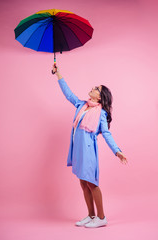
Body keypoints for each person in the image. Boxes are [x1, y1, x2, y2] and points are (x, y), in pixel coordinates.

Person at [52, 64, 128, 228]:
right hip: (77, 150)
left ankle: (101, 218)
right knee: (83, 183)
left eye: (96, 89)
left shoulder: (101, 113)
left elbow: (106, 133)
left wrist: (117, 151)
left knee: (92, 183)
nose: (92, 88)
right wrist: (58, 74)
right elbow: (68, 94)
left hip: (88, 152)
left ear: (99, 97)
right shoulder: (82, 105)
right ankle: (91, 215)